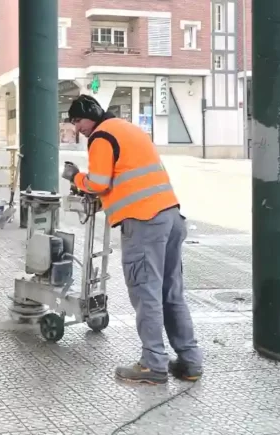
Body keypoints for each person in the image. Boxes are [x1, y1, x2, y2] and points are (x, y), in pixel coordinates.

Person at [62, 94, 203, 385]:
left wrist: (76, 178)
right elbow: (126, 177)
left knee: (146, 294)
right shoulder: (128, 129)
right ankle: (190, 362)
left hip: (143, 223)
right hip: (171, 217)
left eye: (78, 121)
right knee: (171, 293)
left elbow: (98, 182)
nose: (77, 128)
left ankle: (153, 364)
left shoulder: (101, 136)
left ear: (92, 115)